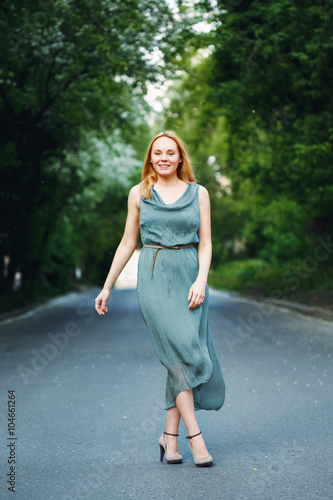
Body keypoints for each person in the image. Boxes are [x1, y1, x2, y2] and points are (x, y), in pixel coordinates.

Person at [95, 131, 225, 467]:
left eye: (171, 152)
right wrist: (107, 286)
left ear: (180, 158)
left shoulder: (200, 194)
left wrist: (201, 279)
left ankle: (169, 438)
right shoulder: (139, 193)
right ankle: (195, 439)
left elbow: (206, 243)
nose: (164, 158)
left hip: (189, 277)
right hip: (153, 278)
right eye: (158, 153)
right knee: (179, 352)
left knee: (184, 355)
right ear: (150, 158)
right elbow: (128, 243)